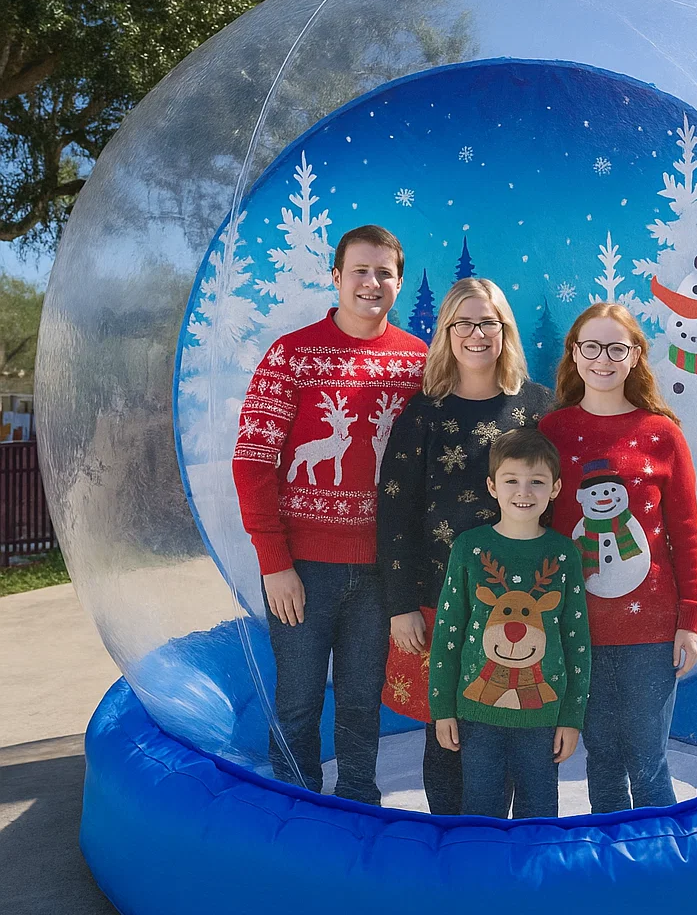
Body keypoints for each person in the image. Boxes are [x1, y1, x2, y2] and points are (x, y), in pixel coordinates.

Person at [231, 224, 428, 803]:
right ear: (337, 278)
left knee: (364, 694)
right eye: (360, 271)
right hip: (302, 569)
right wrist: (274, 561)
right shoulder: (291, 355)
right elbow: (253, 462)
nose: (372, 283)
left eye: (384, 273)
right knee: (298, 695)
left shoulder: (417, 362)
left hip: (380, 572)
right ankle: (295, 810)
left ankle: (358, 799)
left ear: (398, 281)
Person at [376, 277, 552, 814]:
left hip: (523, 606)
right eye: (465, 323)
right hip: (440, 602)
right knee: (447, 730)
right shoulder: (423, 414)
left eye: (489, 323)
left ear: (506, 331)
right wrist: (401, 605)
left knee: (517, 727)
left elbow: (562, 506)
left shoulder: (539, 406)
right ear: (447, 332)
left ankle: (518, 852)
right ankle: (453, 850)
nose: (477, 334)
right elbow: (395, 515)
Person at [539, 302, 697, 814]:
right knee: (602, 759)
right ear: (575, 355)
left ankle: (660, 872)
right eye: (591, 347)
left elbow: (686, 533)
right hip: (577, 628)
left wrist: (690, 619)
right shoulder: (552, 432)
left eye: (617, 348)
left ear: (635, 356)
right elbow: (537, 528)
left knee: (648, 759)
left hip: (650, 632)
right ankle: (612, 874)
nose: (603, 359)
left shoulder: (662, 434)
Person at [428, 428, 590, 818]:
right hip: (476, 715)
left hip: (542, 718)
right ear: (492, 485)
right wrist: (442, 708)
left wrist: (571, 717)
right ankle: (482, 879)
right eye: (511, 480)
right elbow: (448, 633)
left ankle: (533, 880)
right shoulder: (470, 547)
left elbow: (577, 641)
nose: (524, 492)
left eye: (537, 482)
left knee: (538, 814)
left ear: (555, 489)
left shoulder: (563, 553)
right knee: (481, 811)